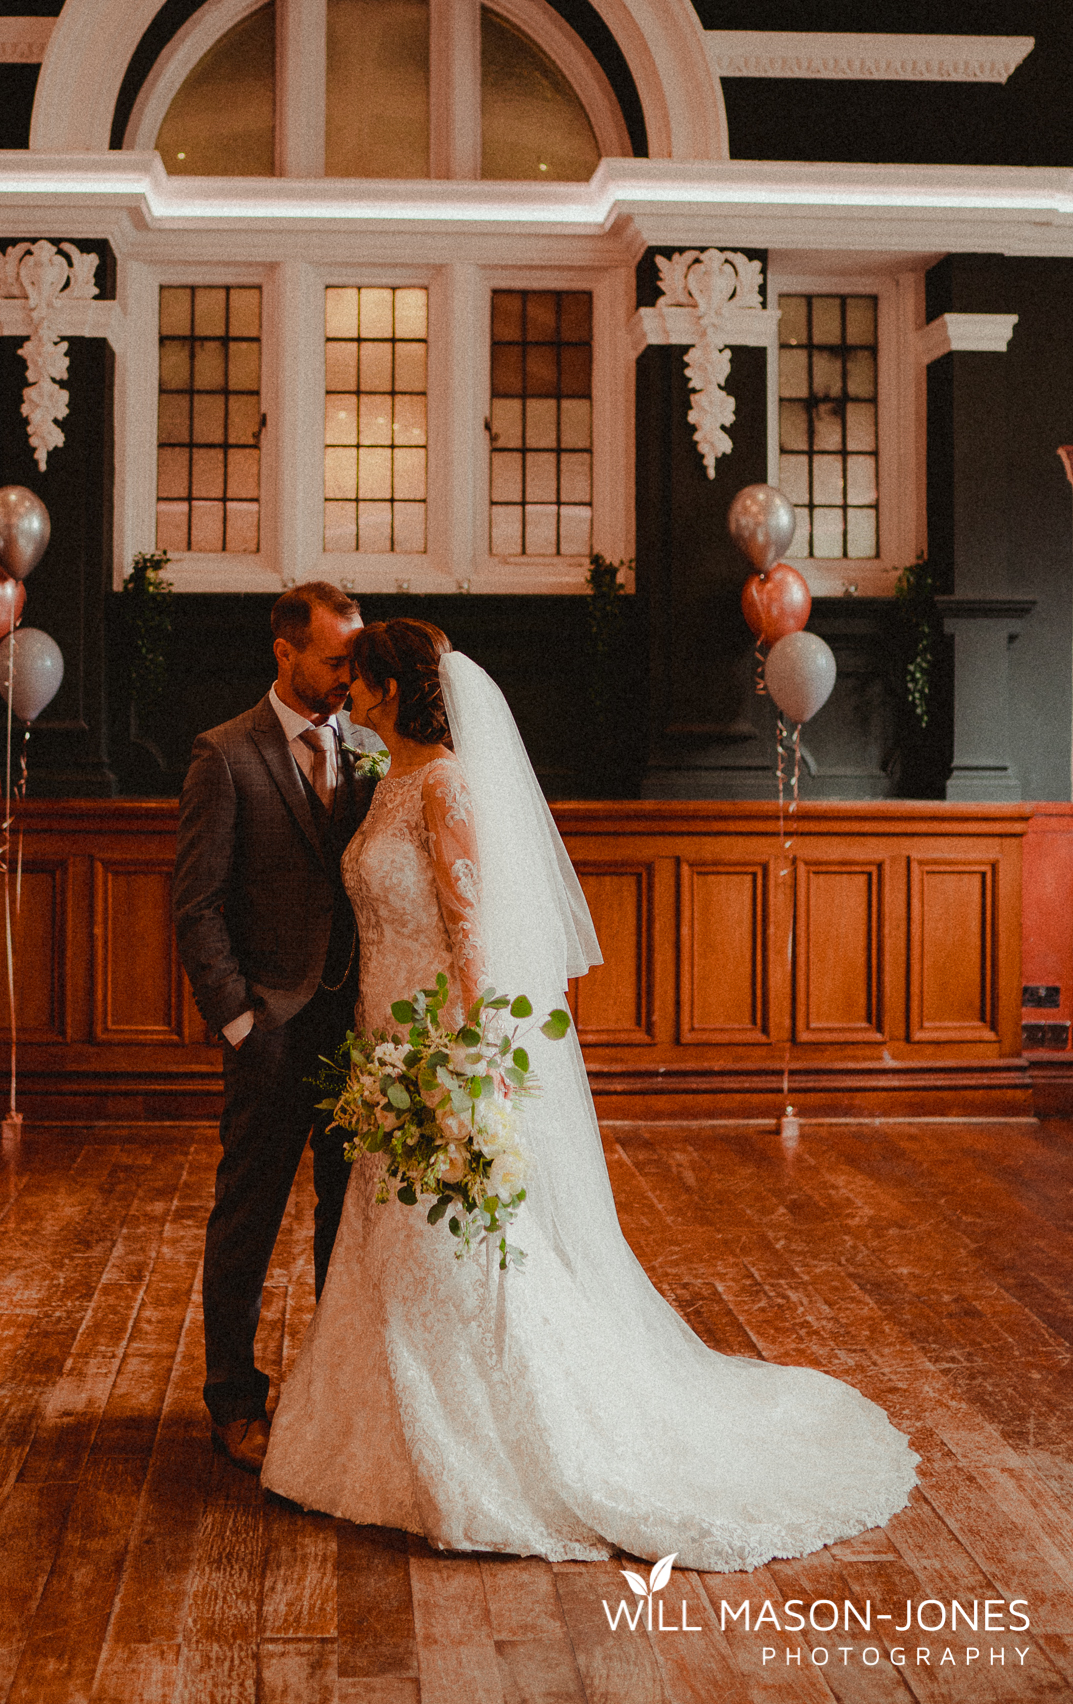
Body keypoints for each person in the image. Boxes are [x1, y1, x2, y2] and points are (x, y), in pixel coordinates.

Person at [262, 619, 918, 1568]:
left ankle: (490, 1441)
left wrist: (467, 1062)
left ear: (393, 690)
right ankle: (380, 1431)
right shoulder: (388, 780)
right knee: (388, 1238)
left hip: (438, 1055)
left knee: (460, 1252)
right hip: (383, 1046)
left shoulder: (444, 782)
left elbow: (473, 930)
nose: (348, 695)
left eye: (359, 681)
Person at [173, 582, 377, 1474]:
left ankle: (332, 1392)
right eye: (336, 661)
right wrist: (239, 1021)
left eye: (355, 662)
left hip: (359, 1034)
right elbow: (197, 905)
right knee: (248, 1215)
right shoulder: (224, 755)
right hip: (271, 1031)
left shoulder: (370, 748)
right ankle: (231, 1401)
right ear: (284, 654)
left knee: (346, 1217)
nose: (348, 678)